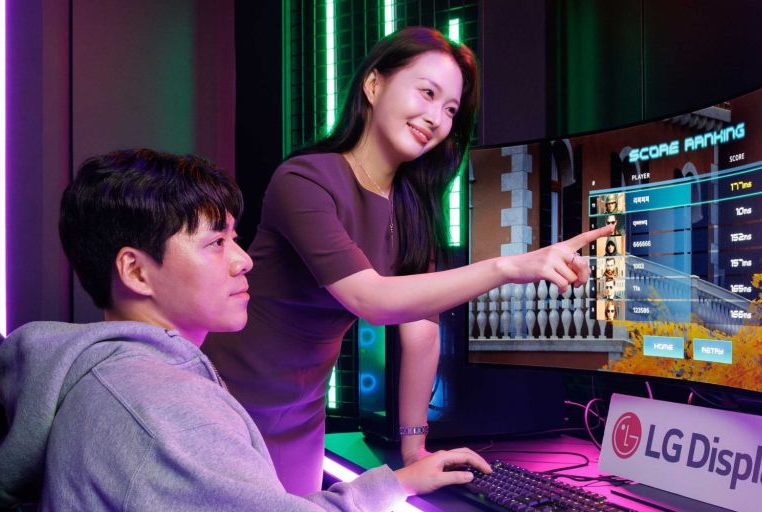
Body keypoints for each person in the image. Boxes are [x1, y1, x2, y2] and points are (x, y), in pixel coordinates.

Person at [202, 26, 614, 494]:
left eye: (451, 109)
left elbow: (420, 330)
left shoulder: (411, 206)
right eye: (427, 93)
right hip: (226, 401)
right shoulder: (304, 179)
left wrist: (415, 449)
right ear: (373, 84)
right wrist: (508, 267)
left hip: (302, 413)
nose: (436, 118)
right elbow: (371, 300)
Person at [0, 149, 492, 511]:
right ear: (135, 271)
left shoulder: (130, 378)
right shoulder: (160, 409)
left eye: (236, 239)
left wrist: (396, 483)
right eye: (215, 243)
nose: (244, 261)